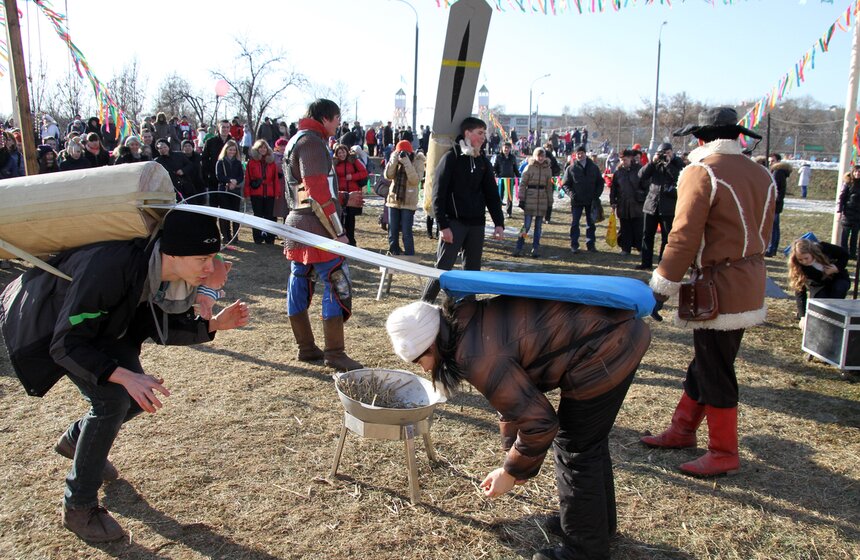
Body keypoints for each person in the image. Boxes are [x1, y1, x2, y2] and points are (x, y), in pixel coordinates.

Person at [0, 211, 250, 542]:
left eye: (211, 257)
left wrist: (213, 324)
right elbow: (66, 344)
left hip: (103, 331)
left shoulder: (160, 269)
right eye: (203, 258)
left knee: (128, 399)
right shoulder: (110, 268)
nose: (210, 267)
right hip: (53, 327)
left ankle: (78, 441)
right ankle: (78, 505)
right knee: (112, 399)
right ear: (173, 252)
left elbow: (154, 325)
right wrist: (124, 377)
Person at [386, 297, 650, 560]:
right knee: (589, 441)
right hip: (614, 331)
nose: (423, 368)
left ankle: (586, 550)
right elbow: (511, 394)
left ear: (430, 346)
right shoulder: (467, 324)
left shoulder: (474, 355)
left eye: (418, 361)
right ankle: (594, 525)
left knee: (575, 447)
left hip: (607, 345)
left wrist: (510, 471)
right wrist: (511, 449)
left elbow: (540, 423)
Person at [642, 107, 776, 477]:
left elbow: (684, 236)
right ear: (736, 137)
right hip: (748, 279)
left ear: (701, 139)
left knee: (715, 366)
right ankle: (682, 429)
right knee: (708, 359)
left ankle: (723, 452)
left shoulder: (702, 171)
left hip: (719, 283)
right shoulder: (762, 174)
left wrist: (661, 289)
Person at [283, 99, 363, 371]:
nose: (338, 124)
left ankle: (306, 347)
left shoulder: (298, 140)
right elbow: (315, 190)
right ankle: (334, 352)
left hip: (300, 222)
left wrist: (342, 197)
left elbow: (304, 192)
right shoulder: (311, 142)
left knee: (300, 279)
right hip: (316, 227)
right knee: (334, 278)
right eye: (337, 118)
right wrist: (338, 232)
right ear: (327, 118)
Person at [421, 117, 505, 303]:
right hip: (454, 223)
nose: (484, 137)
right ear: (467, 133)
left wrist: (499, 223)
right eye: (480, 133)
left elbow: (491, 194)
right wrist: (443, 225)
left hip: (476, 225)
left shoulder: (483, 160)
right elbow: (438, 194)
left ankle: (469, 311)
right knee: (442, 268)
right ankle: (424, 306)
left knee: (473, 272)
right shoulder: (451, 157)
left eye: (485, 133)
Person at [636, 142, 684, 270]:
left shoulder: (678, 163)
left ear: (672, 152)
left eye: (667, 153)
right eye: (662, 153)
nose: (665, 155)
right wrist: (652, 162)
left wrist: (668, 164)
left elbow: (680, 177)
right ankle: (646, 263)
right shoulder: (655, 164)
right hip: (651, 204)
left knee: (667, 237)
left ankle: (663, 265)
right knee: (647, 235)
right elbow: (641, 175)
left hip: (668, 207)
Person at [789, 238, 850, 326]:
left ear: (812, 252)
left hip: (838, 278)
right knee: (820, 305)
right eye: (800, 260)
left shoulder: (824, 248)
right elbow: (799, 290)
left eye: (806, 258)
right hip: (818, 285)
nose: (804, 262)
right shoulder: (799, 266)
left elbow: (844, 254)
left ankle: (836, 317)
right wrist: (802, 316)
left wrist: (837, 267)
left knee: (839, 289)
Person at [384, 139, 425, 256]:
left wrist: (407, 162)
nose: (402, 154)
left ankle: (409, 254)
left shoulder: (418, 161)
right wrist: (393, 160)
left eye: (404, 152)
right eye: (399, 152)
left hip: (409, 201)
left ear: (410, 152)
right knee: (392, 230)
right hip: (394, 199)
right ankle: (394, 252)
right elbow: (388, 175)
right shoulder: (395, 158)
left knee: (406, 231)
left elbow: (415, 180)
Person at [561, 145, 603, 254]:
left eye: (582, 153)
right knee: (575, 223)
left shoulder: (594, 167)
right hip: (577, 201)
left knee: (591, 223)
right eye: (578, 153)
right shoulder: (571, 168)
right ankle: (574, 244)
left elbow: (600, 182)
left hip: (591, 200)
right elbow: (565, 184)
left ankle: (591, 244)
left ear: (585, 153)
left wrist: (596, 195)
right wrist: (572, 195)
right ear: (575, 155)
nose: (580, 155)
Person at [514, 147, 553, 258]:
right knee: (526, 225)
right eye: (538, 155)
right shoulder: (529, 167)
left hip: (542, 199)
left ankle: (535, 248)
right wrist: (521, 198)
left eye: (542, 156)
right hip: (530, 197)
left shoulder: (548, 170)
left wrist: (550, 202)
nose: (540, 158)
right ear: (535, 156)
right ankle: (519, 246)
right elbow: (522, 184)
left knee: (538, 226)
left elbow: (549, 188)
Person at [244, 139, 280, 244]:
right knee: (257, 215)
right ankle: (258, 237)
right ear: (257, 149)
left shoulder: (271, 162)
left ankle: (270, 237)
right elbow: (248, 178)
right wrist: (246, 193)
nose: (263, 150)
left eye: (264, 147)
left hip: (270, 192)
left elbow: (275, 179)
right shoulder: (251, 162)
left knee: (270, 216)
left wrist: (277, 192)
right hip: (257, 192)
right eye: (261, 147)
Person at [609, 149, 645, 256]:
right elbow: (613, 189)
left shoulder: (640, 170)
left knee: (638, 228)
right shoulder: (618, 173)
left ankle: (641, 248)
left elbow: (646, 186)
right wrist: (613, 202)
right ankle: (626, 248)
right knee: (625, 228)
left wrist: (641, 196)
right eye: (621, 160)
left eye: (625, 159)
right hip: (623, 205)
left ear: (630, 158)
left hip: (637, 204)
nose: (623, 162)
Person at [332, 143, 368, 246]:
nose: (342, 155)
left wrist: (352, 177)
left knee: (350, 219)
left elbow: (364, 173)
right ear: (336, 154)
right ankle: (341, 239)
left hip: (352, 194)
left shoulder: (353, 161)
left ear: (346, 152)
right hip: (341, 194)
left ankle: (351, 241)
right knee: (340, 218)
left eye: (343, 152)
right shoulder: (334, 163)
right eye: (339, 153)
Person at [213, 139, 244, 246]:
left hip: (235, 190)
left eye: (234, 150)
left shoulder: (238, 163)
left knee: (236, 214)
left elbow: (241, 176)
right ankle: (225, 235)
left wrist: (235, 182)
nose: (232, 152)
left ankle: (235, 236)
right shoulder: (220, 162)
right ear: (226, 150)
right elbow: (219, 175)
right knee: (224, 214)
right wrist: (229, 180)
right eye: (230, 150)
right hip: (224, 190)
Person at [765, 153, 791, 257]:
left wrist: (773, 202)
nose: (771, 163)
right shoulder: (779, 172)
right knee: (774, 227)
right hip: (776, 203)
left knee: (773, 227)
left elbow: (776, 190)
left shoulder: (777, 172)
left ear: (778, 161)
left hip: (775, 203)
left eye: (773, 161)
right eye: (770, 161)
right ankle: (772, 248)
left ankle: (772, 248)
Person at [154, 138, 195, 202]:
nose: (163, 149)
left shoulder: (179, 155)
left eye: (165, 147)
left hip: (185, 184)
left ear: (168, 146)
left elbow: (190, 165)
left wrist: (183, 170)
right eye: (160, 148)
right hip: (171, 188)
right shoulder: (157, 161)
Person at [201, 120, 232, 200]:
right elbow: (204, 159)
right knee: (214, 202)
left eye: (227, 127)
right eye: (223, 127)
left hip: (229, 177)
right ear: (219, 128)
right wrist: (208, 173)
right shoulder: (210, 142)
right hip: (214, 177)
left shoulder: (233, 142)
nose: (225, 129)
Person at [838, 165, 860, 259]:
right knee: (845, 234)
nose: (857, 173)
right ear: (852, 173)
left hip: (858, 214)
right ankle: (844, 252)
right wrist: (840, 210)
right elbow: (842, 197)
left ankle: (852, 253)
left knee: (855, 235)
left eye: (859, 172)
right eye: (856, 172)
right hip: (848, 212)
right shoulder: (848, 183)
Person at [493, 142, 520, 218]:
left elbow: (515, 169)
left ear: (510, 149)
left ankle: (509, 212)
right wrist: (497, 176)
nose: (506, 149)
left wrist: (519, 177)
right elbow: (494, 168)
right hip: (501, 180)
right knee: (499, 196)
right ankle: (498, 211)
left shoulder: (512, 157)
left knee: (509, 197)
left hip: (510, 180)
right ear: (502, 148)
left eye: (508, 148)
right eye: (505, 147)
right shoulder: (498, 157)